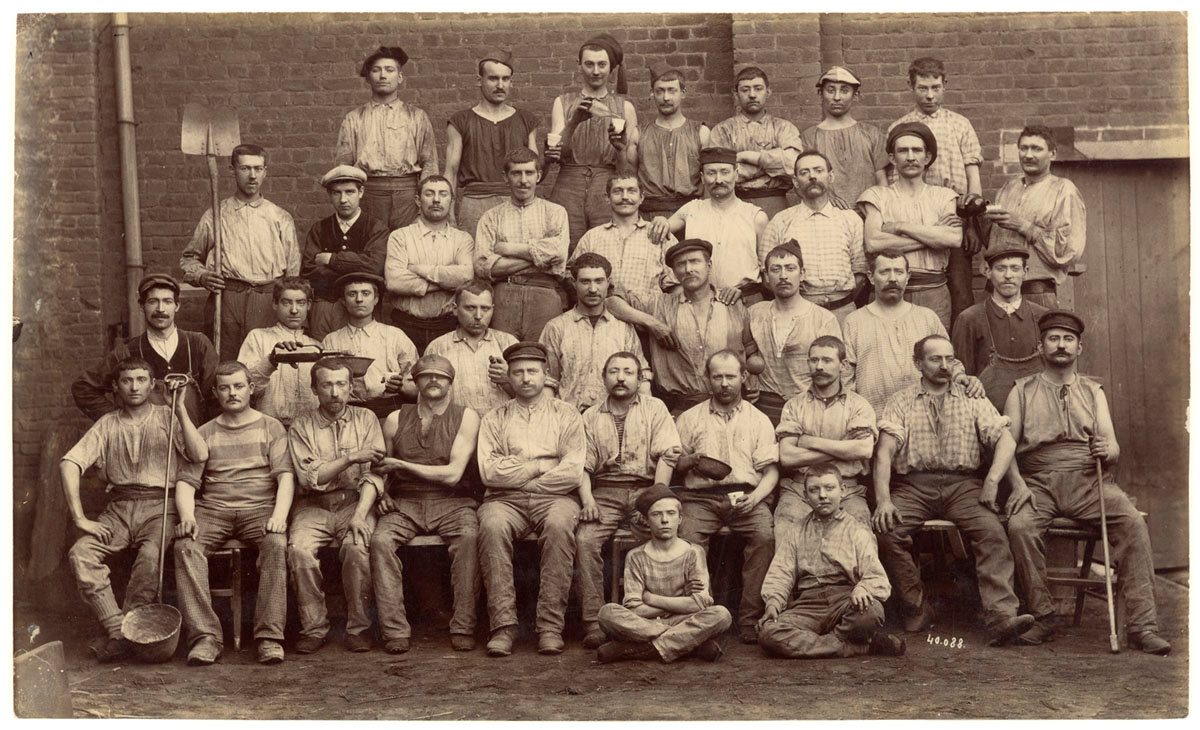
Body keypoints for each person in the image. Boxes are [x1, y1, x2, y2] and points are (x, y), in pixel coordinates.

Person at [1003, 311, 1170, 654]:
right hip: (1039, 482)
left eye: (1068, 339)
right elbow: (1005, 449)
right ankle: (1043, 616)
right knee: (1020, 526)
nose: (1061, 345)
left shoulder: (1093, 391)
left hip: (1088, 480)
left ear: (1079, 347)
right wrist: (1019, 486)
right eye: (1053, 338)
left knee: (1133, 523)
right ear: (1040, 347)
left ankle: (1142, 625)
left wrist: (1108, 449)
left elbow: (1113, 448)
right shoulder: (1021, 390)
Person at [872, 335, 1035, 645]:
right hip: (914, 485)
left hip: (964, 485)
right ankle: (916, 608)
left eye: (949, 359)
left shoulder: (971, 397)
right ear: (918, 363)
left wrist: (991, 481)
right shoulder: (901, 400)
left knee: (992, 533)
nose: (944, 366)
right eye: (935, 359)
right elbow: (884, 452)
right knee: (886, 530)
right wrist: (883, 501)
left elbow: (1005, 440)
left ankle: (1001, 617)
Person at [62, 357, 207, 662]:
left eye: (141, 380)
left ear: (152, 384)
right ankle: (118, 629)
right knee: (81, 553)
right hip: (119, 508)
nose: (134, 387)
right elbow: (69, 462)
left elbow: (199, 454)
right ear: (115, 387)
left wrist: (178, 407)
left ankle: (130, 634)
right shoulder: (107, 423)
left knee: (150, 558)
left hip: (161, 506)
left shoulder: (168, 416)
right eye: (127, 381)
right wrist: (80, 518)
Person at [173, 361, 292, 666]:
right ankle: (205, 638)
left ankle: (268, 637)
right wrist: (187, 517)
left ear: (251, 389)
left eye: (238, 386)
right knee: (185, 547)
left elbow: (285, 477)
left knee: (276, 544)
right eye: (224, 388)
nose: (232, 393)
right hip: (214, 510)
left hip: (260, 509)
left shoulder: (271, 426)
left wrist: (278, 516)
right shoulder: (204, 432)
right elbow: (186, 484)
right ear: (215, 393)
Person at [476, 342, 585, 657]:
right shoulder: (494, 418)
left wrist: (526, 477)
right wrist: (541, 465)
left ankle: (550, 627)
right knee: (492, 526)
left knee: (559, 524)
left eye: (532, 371)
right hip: (504, 500)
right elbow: (489, 473)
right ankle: (503, 626)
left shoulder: (567, 414)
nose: (525, 378)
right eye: (518, 372)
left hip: (555, 498)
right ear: (507, 377)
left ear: (546, 374)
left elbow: (572, 471)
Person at [369, 354, 482, 653]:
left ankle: (463, 626)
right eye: (426, 375)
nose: (434, 380)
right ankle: (394, 630)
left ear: (450, 382)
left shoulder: (466, 416)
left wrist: (401, 466)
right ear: (415, 381)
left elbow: (453, 474)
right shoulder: (396, 418)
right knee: (380, 541)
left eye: (441, 376)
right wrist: (383, 494)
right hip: (405, 502)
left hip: (452, 501)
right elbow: (382, 469)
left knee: (470, 538)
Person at [576, 352, 681, 649]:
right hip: (605, 491)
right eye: (614, 371)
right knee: (585, 539)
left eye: (628, 372)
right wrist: (587, 502)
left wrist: (655, 501)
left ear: (639, 378)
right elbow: (582, 466)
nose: (621, 378)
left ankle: (662, 618)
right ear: (603, 377)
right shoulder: (590, 416)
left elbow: (667, 455)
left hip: (645, 488)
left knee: (664, 534)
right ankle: (594, 621)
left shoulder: (655, 408)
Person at [673, 350, 779, 644]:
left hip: (745, 496)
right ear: (707, 378)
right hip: (700, 498)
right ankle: (698, 619)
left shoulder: (759, 420)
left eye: (730, 376)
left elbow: (771, 472)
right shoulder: (689, 418)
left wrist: (756, 498)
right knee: (687, 540)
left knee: (765, 538)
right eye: (717, 376)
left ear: (743, 378)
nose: (724, 383)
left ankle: (749, 619)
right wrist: (689, 460)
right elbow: (674, 466)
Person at [286, 358, 386, 654]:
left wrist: (359, 515)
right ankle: (314, 628)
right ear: (314, 389)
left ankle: (358, 628)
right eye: (326, 385)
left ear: (351, 386)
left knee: (356, 547)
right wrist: (352, 457)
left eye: (341, 384)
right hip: (312, 506)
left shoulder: (366, 418)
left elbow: (375, 473)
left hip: (356, 502)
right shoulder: (302, 424)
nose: (335, 392)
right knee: (299, 551)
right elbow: (311, 477)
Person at [758, 464, 905, 659]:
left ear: (843, 491)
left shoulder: (857, 530)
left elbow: (875, 576)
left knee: (872, 612)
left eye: (829, 488)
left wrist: (863, 589)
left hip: (845, 601)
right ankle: (855, 647)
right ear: (805, 495)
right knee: (768, 632)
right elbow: (781, 572)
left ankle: (817, 644)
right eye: (814, 490)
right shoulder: (796, 530)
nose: (822, 495)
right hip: (809, 605)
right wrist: (773, 604)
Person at [180, 143, 300, 361]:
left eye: (258, 169)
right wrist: (202, 275)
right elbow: (189, 259)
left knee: (268, 362)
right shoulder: (216, 216)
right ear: (232, 170)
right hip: (228, 298)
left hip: (268, 299)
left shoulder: (280, 217)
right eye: (245, 169)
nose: (252, 176)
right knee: (227, 362)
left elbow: (292, 273)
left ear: (265, 172)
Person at [605, 239, 751, 415]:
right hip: (681, 408)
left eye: (695, 261)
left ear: (709, 265)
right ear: (674, 272)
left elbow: (751, 352)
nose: (688, 269)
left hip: (731, 408)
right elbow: (612, 302)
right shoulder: (660, 305)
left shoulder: (732, 303)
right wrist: (653, 323)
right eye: (681, 265)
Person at [888, 57, 983, 325]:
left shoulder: (960, 124)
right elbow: (893, 184)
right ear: (911, 86)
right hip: (915, 221)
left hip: (954, 220)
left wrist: (971, 225)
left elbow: (973, 182)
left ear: (944, 86)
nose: (930, 95)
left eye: (936, 87)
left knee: (961, 295)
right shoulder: (900, 128)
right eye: (922, 88)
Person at [594, 485, 731, 663]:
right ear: (646, 520)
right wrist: (681, 603)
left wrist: (651, 598)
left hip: (682, 619)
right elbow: (634, 607)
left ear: (680, 518)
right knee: (607, 613)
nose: (665, 520)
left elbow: (700, 604)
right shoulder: (636, 556)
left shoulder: (694, 552)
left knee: (721, 615)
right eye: (656, 514)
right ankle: (687, 644)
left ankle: (641, 648)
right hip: (650, 622)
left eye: (671, 513)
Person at [843, 249, 982, 418]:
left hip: (923, 419)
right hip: (874, 420)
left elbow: (949, 363)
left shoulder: (926, 317)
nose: (892, 278)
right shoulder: (854, 322)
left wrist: (963, 378)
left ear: (907, 277)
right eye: (884, 272)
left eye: (899, 272)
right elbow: (846, 379)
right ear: (871, 277)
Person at [73, 274, 216, 425]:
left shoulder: (198, 344)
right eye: (153, 302)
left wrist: (206, 434)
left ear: (177, 306)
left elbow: (216, 396)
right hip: (146, 444)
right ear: (142, 306)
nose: (161, 309)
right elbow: (83, 387)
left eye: (167, 302)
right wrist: (119, 420)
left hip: (194, 440)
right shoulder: (127, 352)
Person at [858, 122, 962, 331]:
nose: (911, 157)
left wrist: (900, 226)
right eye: (903, 151)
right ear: (892, 158)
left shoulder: (944, 196)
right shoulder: (877, 195)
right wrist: (932, 238)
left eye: (917, 150)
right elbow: (873, 243)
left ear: (927, 157)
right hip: (889, 289)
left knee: (933, 353)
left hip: (933, 291)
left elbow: (953, 239)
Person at [775, 336, 876, 537]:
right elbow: (787, 457)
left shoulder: (858, 405)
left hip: (846, 490)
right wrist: (844, 450)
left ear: (843, 365)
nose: (819, 366)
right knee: (786, 534)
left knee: (861, 537)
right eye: (814, 360)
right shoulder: (794, 405)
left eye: (827, 360)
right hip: (800, 490)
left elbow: (864, 449)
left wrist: (811, 442)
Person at [546, 33, 637, 250]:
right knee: (566, 246)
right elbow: (556, 152)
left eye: (601, 65)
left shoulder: (625, 107)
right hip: (569, 182)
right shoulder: (563, 102)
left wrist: (620, 149)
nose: (595, 71)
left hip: (607, 184)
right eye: (589, 64)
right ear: (579, 65)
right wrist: (573, 122)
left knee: (606, 246)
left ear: (612, 67)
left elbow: (629, 168)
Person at [758, 151, 867, 323]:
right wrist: (798, 303)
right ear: (795, 181)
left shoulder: (850, 219)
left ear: (830, 176)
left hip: (844, 312)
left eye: (818, 170)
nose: (812, 177)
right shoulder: (780, 221)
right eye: (804, 172)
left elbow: (860, 272)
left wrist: (839, 301)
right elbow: (767, 277)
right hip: (798, 313)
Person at [474, 147, 570, 342]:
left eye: (529, 173)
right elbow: (482, 266)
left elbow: (559, 253)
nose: (523, 180)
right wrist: (541, 259)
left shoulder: (555, 212)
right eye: (516, 173)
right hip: (504, 295)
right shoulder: (491, 217)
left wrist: (509, 250)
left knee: (543, 356)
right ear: (505, 177)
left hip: (544, 293)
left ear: (539, 175)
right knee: (503, 355)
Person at [337, 45, 438, 230]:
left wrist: (425, 200)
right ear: (368, 78)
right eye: (376, 70)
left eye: (389, 70)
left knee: (408, 247)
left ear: (399, 77)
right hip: (369, 192)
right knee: (372, 248)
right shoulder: (354, 118)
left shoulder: (416, 116)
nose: (383, 75)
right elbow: (345, 167)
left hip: (407, 193)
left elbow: (429, 164)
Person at [985, 126, 1087, 308]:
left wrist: (1024, 226)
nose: (1028, 155)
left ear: (1052, 154)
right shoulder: (1008, 188)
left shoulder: (1063, 190)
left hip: (1035, 290)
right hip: (997, 290)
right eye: (1024, 148)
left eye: (1036, 149)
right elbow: (993, 243)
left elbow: (1068, 252)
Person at [743, 242, 845, 424]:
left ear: (802, 273)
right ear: (766, 276)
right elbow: (742, 353)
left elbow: (834, 369)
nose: (783, 276)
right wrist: (749, 380)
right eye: (776, 269)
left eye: (790, 268)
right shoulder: (754, 313)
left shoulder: (823, 318)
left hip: (808, 404)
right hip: (764, 405)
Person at [649, 147, 769, 299]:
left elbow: (767, 269)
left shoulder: (755, 216)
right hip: (702, 301)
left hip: (745, 298)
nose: (718, 180)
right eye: (711, 173)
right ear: (702, 177)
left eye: (725, 172)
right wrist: (660, 220)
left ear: (736, 174)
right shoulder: (692, 209)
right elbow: (662, 229)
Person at [445, 50, 540, 237]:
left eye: (506, 79)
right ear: (479, 80)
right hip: (475, 202)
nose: (500, 85)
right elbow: (451, 171)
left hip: (516, 201)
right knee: (478, 260)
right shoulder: (461, 120)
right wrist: (449, 214)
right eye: (493, 78)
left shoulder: (526, 120)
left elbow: (534, 170)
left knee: (519, 257)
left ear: (511, 81)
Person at [539, 252, 649, 410]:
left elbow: (641, 376)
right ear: (574, 283)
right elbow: (547, 380)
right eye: (585, 281)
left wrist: (644, 415)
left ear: (608, 283)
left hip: (614, 417)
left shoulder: (623, 327)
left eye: (599, 281)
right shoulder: (556, 327)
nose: (592, 289)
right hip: (569, 418)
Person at [950, 245, 1049, 411]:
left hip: (1037, 412)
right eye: (1000, 269)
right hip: (987, 415)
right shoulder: (969, 319)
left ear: (1026, 272)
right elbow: (961, 379)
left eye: (1015, 268)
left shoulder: (1043, 317)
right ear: (988, 272)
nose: (1008, 275)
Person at [384, 175, 475, 352]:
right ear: (418, 200)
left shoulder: (463, 239)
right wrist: (445, 284)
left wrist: (418, 269)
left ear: (452, 200)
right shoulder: (400, 237)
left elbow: (466, 278)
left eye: (443, 194)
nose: (436, 200)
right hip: (406, 325)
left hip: (448, 325)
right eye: (429, 194)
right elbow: (394, 282)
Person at [300, 165, 390, 341]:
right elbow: (308, 271)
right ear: (329, 195)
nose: (343, 199)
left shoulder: (376, 228)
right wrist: (357, 265)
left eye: (349, 192)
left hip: (362, 308)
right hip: (325, 306)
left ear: (361, 192)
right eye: (336, 193)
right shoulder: (319, 229)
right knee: (324, 356)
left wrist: (332, 259)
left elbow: (375, 265)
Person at [709, 67, 803, 219]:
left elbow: (794, 165)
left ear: (768, 92)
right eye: (745, 89)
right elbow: (718, 173)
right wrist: (772, 166)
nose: (752, 95)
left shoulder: (784, 128)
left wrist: (747, 157)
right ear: (736, 94)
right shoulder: (722, 131)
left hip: (775, 204)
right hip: (734, 206)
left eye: (758, 89)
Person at [321, 272, 418, 408]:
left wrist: (401, 385)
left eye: (366, 293)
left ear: (376, 299)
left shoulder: (395, 336)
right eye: (352, 294)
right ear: (343, 301)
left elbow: (416, 385)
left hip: (389, 408)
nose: (359, 299)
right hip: (347, 410)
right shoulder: (332, 340)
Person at [569, 174, 674, 296]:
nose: (625, 197)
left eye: (631, 191)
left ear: (641, 198)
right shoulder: (592, 237)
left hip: (648, 312)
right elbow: (571, 276)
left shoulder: (659, 234)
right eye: (617, 191)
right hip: (603, 312)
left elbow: (676, 284)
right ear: (607, 198)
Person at [425, 280, 519, 414]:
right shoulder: (438, 348)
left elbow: (532, 398)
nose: (478, 316)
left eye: (485, 308)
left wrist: (508, 380)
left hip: (502, 426)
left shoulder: (509, 343)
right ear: (455, 309)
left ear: (493, 309)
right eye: (470, 308)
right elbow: (427, 400)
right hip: (455, 428)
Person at [237, 277, 321, 427]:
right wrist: (271, 361)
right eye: (286, 302)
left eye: (300, 303)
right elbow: (243, 388)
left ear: (308, 305)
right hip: (269, 427)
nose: (294, 310)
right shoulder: (257, 337)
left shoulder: (316, 346)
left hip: (310, 429)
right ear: (275, 304)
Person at [800, 67, 888, 207]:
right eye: (830, 90)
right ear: (821, 93)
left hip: (868, 213)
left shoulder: (871, 134)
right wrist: (827, 200)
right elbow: (803, 182)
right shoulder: (809, 137)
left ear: (856, 95)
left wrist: (875, 208)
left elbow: (882, 181)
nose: (837, 97)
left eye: (844, 90)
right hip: (827, 215)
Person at [631, 63, 709, 219]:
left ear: (683, 93)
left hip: (691, 214)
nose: (666, 98)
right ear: (652, 93)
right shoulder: (638, 134)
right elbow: (630, 178)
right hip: (649, 213)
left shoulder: (701, 132)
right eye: (660, 91)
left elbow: (709, 179)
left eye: (672, 91)